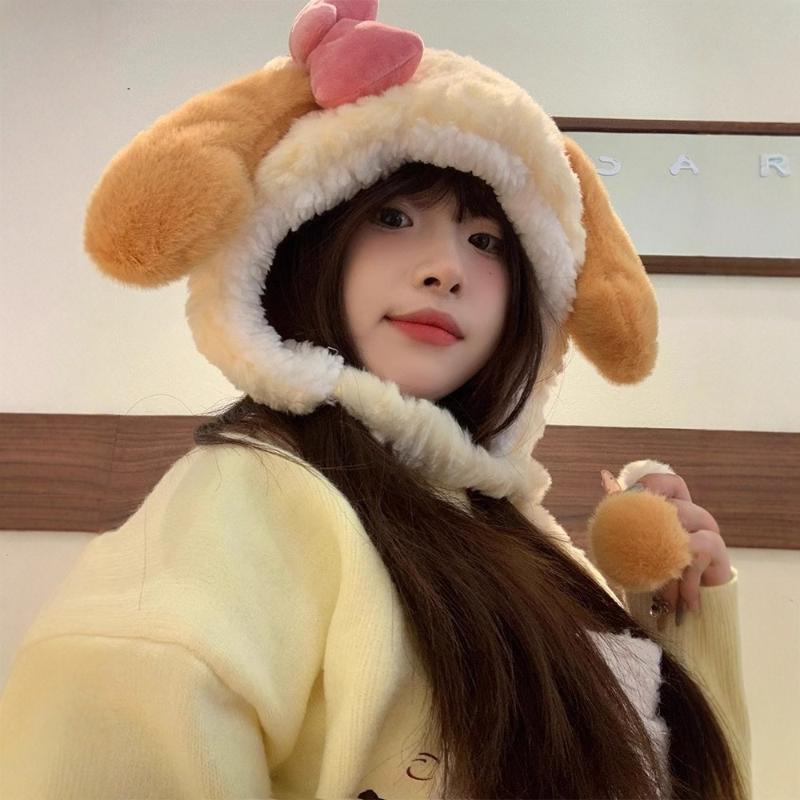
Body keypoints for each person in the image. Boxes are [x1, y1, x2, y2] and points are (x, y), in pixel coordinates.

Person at [0, 1, 750, 798]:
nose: (446, 269)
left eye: (486, 240)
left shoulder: (511, 529)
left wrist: (679, 616)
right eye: (393, 216)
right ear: (303, 240)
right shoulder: (248, 503)